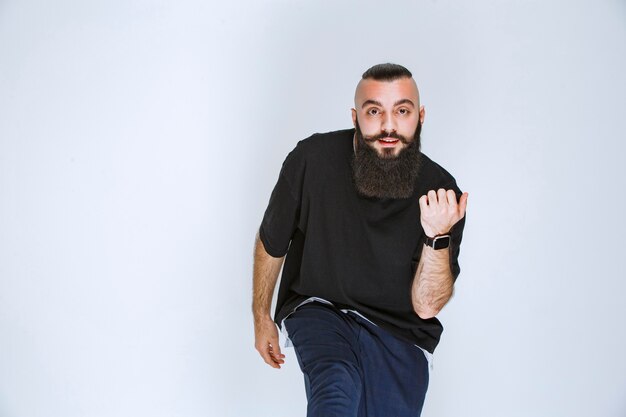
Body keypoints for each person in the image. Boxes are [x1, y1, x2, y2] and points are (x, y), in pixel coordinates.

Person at [252, 63, 468, 417]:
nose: (388, 126)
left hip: (400, 334)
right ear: (355, 116)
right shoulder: (311, 159)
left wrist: (436, 237)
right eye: (374, 111)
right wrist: (261, 316)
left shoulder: (441, 193)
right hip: (320, 307)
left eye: (402, 111)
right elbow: (272, 241)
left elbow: (427, 307)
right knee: (336, 385)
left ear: (420, 116)